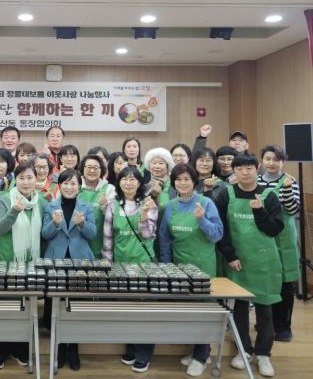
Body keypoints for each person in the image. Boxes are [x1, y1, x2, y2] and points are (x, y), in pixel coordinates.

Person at [216, 154, 283, 378]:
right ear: (234, 171)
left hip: (264, 262)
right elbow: (222, 229)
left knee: (265, 309)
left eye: (249, 168)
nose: (245, 172)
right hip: (237, 261)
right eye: (240, 168)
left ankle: (263, 353)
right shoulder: (226, 194)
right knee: (240, 309)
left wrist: (259, 211)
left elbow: (275, 229)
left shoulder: (269, 195)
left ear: (257, 168)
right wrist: (230, 255)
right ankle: (243, 349)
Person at [159, 163, 223, 376]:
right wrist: (166, 266)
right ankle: (198, 351)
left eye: (186, 179)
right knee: (187, 311)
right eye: (178, 179)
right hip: (179, 267)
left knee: (204, 312)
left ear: (194, 181)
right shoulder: (171, 206)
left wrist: (202, 220)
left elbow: (217, 235)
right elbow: (164, 238)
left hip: (203, 266)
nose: (182, 183)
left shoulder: (206, 203)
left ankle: (201, 357)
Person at [103, 165, 158, 373]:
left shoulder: (149, 204)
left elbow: (149, 235)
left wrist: (143, 216)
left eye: (133, 179)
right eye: (124, 179)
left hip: (143, 264)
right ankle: (131, 348)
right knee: (125, 308)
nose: (128, 182)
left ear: (139, 183)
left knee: (144, 310)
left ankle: (144, 354)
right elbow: (108, 238)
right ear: (119, 183)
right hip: (120, 264)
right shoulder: (112, 205)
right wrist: (108, 264)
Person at [0, 162, 44, 369]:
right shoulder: (5, 199)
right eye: (21, 178)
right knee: (4, 308)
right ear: (15, 180)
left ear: (36, 179)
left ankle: (20, 350)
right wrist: (13, 211)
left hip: (31, 264)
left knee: (26, 308)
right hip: (7, 262)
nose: (26, 182)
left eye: (30, 177)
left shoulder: (40, 201)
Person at [42, 169, 96, 371]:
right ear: (60, 185)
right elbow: (45, 234)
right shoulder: (50, 206)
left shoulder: (87, 207)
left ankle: (73, 348)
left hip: (79, 262)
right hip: (56, 262)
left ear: (79, 187)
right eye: (65, 183)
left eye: (73, 183)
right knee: (55, 307)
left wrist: (82, 224)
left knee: (75, 307)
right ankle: (59, 348)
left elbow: (92, 234)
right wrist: (55, 223)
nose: (69, 187)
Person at [257, 145, 300, 342]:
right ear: (262, 161)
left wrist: (288, 190)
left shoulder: (289, 181)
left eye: (276, 159)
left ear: (282, 162)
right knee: (264, 279)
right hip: (261, 235)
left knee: (284, 283)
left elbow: (292, 210)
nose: (271, 163)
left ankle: (283, 326)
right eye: (268, 159)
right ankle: (266, 322)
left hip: (283, 237)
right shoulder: (256, 180)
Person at [78, 154, 116, 258]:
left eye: (95, 168)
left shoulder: (109, 189)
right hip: (77, 242)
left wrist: (105, 206)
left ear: (101, 170)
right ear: (82, 168)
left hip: (100, 242)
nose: (92, 171)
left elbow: (115, 218)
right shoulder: (75, 186)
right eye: (89, 167)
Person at [143, 148, 176, 212]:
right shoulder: (144, 187)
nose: (157, 166)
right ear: (149, 166)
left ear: (167, 166)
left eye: (161, 163)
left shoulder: (174, 185)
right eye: (154, 163)